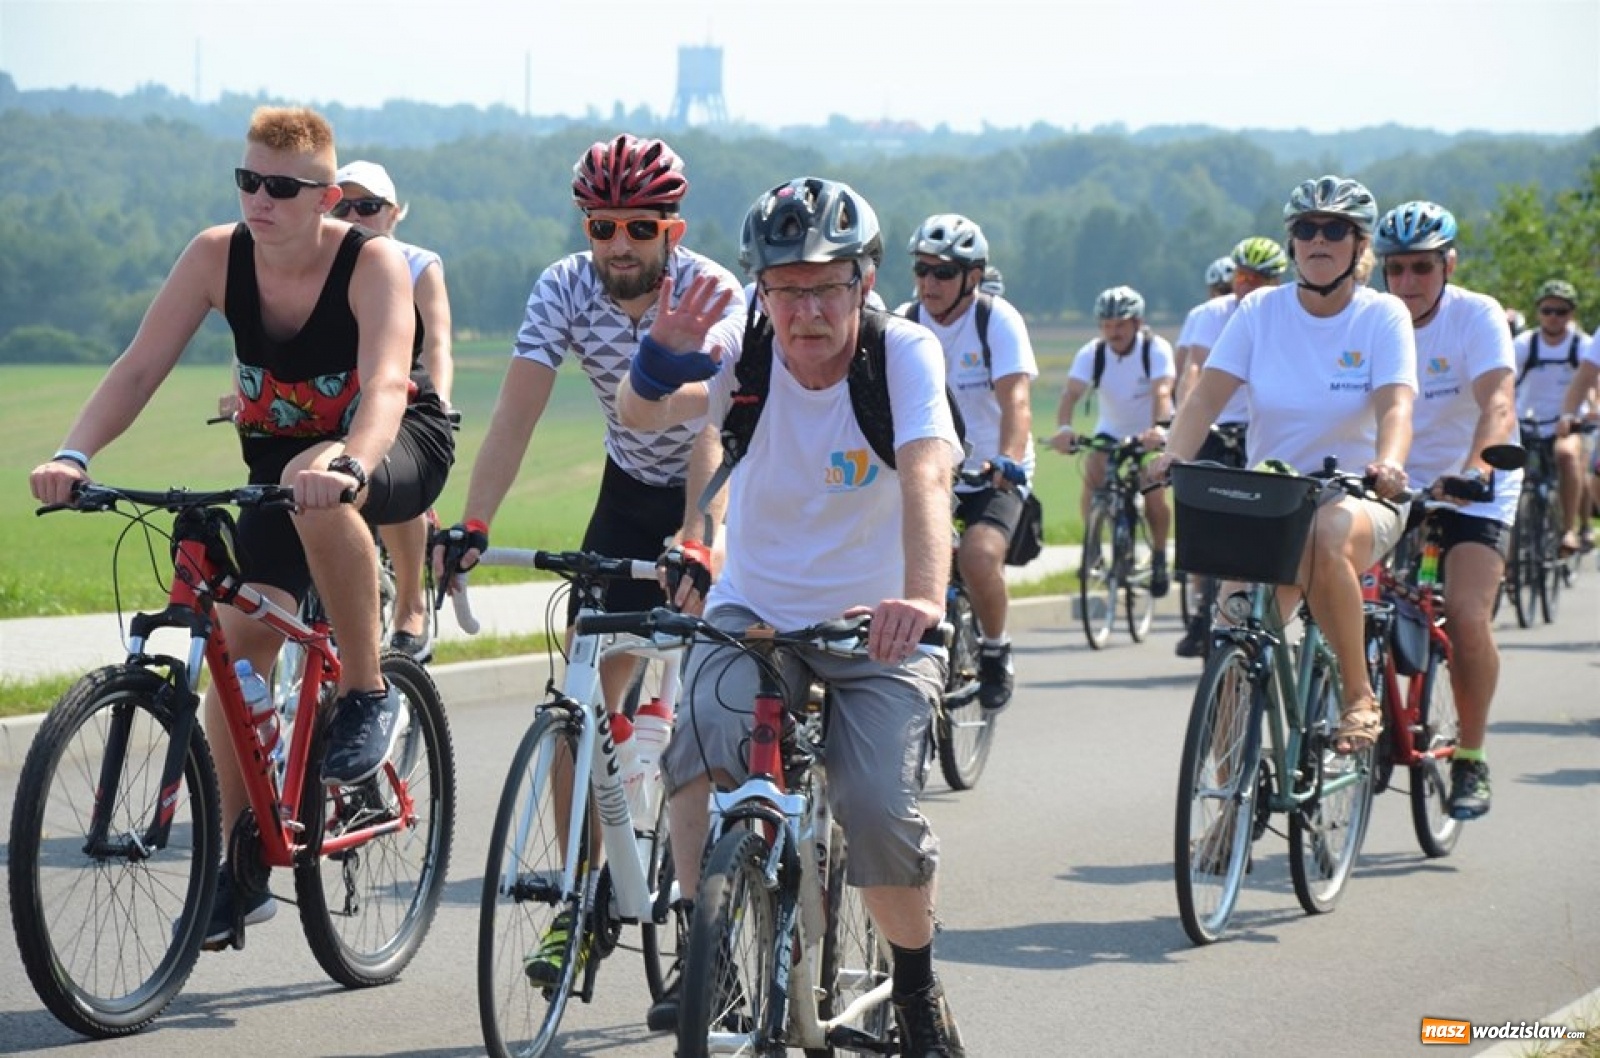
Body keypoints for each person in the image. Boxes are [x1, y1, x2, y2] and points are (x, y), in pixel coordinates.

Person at [28, 105, 455, 945]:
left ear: (326, 196)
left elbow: (383, 389)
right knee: (232, 643)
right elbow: (141, 365)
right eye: (247, 180)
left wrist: (353, 465)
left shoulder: (372, 264)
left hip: (395, 443)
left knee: (316, 478)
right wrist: (74, 452)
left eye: (282, 187)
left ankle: (366, 692)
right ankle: (244, 864)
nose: (260, 199)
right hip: (281, 469)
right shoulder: (215, 256)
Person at [616, 176, 967, 1056]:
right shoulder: (746, 344)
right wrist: (661, 349)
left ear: (865, 281)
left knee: (877, 805)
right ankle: (711, 948)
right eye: (786, 286)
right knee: (696, 744)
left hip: (876, 621)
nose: (807, 308)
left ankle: (917, 989)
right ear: (760, 289)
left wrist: (923, 597)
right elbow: (642, 410)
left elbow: (928, 475)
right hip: (757, 606)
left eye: (828, 285)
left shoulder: (903, 355)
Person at [438, 133, 741, 986]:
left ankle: (710, 909)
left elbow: (715, 427)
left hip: (713, 482)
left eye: (639, 227)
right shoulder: (564, 287)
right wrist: (473, 520)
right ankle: (580, 899)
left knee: (715, 695)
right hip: (628, 483)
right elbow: (517, 412)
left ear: (671, 229)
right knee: (585, 682)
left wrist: (698, 536)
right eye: (602, 225)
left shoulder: (715, 294)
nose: (618, 244)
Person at [1148, 175, 1416, 755]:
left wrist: (1390, 463)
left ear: (1359, 245)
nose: (1319, 240)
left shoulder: (1383, 316)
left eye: (1335, 229)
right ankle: (1221, 813)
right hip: (1272, 503)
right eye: (1306, 229)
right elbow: (1205, 399)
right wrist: (1172, 455)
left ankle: (1357, 697)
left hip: (1360, 497)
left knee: (1325, 533)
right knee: (1234, 636)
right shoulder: (1259, 312)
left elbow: (1397, 405)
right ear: (1293, 242)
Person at [1374, 199, 1519, 818]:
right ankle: (1367, 713)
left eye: (1422, 269)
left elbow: (1498, 401)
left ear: (1448, 265)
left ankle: (1471, 757)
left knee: (1463, 616)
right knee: (1349, 599)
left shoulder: (1476, 316)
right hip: (1393, 484)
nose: (1407, 283)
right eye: (1396, 269)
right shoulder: (1372, 318)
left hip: (1471, 488)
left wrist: (1478, 468)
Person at [902, 212, 1039, 711]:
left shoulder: (995, 320)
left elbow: (1017, 401)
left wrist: (1008, 458)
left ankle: (995, 650)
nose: (928, 283)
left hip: (990, 470)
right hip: (928, 471)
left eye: (942, 273)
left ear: (971, 278)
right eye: (921, 270)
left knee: (978, 557)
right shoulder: (903, 323)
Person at [332, 159, 455, 661]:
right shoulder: (313, 261)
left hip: (400, 392)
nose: (355, 216)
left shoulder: (416, 264)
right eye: (343, 205)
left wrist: (440, 400)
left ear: (394, 214)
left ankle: (409, 603)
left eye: (369, 206)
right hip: (336, 398)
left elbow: (438, 343)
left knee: (393, 469)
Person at [1170, 237, 1290, 656]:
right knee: (1207, 515)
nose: (1249, 286)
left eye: (1260, 279)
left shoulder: (1280, 316)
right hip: (1217, 421)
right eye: (1242, 276)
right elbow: (1196, 372)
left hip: (1259, 426)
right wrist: (1182, 423)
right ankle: (1205, 606)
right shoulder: (1211, 315)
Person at [1047, 285, 1177, 597]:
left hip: (1149, 432)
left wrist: (1159, 429)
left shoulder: (1154, 349)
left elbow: (1162, 392)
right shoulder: (1093, 353)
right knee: (1092, 471)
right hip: (1111, 429)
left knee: (1153, 490)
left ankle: (1159, 556)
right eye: (1106, 325)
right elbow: (1071, 394)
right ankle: (1091, 546)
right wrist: (1065, 428)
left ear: (1137, 323)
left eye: (1119, 324)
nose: (1112, 332)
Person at [1515, 279, 1592, 554]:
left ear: (1571, 314)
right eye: (1547, 310)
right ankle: (1509, 553)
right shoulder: (1525, 343)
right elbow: (1502, 379)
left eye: (1561, 311)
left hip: (1568, 423)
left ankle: (1569, 529)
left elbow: (1592, 380)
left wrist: (1589, 410)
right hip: (1526, 422)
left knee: (1567, 456)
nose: (1553, 317)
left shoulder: (1582, 344)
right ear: (1538, 312)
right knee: (1506, 468)